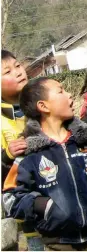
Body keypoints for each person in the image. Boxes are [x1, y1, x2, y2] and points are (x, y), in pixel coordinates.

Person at [3, 78, 87, 250]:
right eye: (61, 91)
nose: (69, 95)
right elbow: (10, 199)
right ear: (43, 106)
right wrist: (43, 206)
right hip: (59, 243)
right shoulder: (28, 153)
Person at [1, 50, 28, 186]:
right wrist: (7, 155)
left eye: (18, 66)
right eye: (7, 72)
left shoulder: (43, 103)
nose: (18, 73)